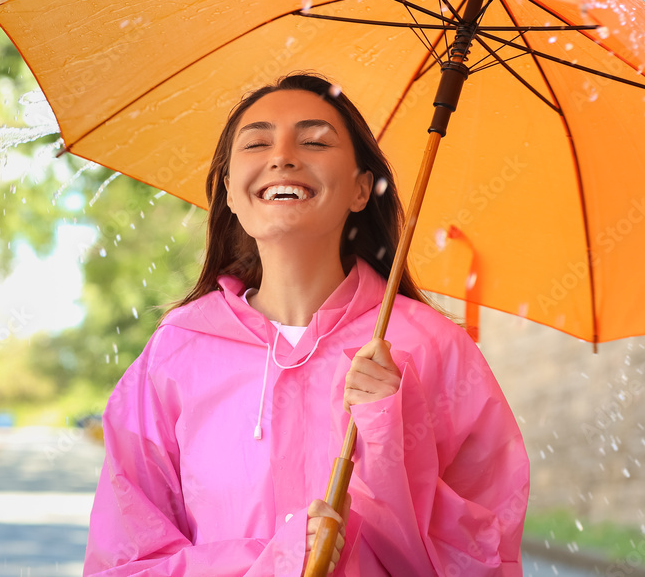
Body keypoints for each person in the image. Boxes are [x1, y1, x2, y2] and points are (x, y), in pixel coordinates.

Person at [83, 74, 529, 575]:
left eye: (314, 141)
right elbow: (124, 561)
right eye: (256, 143)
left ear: (362, 188)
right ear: (229, 191)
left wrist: (389, 440)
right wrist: (276, 560)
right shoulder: (177, 351)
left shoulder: (432, 348)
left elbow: (484, 555)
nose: (283, 156)